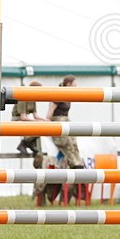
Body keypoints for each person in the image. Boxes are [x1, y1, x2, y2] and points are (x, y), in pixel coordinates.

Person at [49, 75, 86, 203]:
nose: (76, 88)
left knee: (74, 143)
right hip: (58, 122)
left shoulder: (69, 95)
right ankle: (76, 164)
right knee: (68, 144)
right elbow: (50, 112)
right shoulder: (59, 94)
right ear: (68, 84)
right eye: (74, 85)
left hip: (66, 121)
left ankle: (78, 163)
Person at [11, 80, 43, 156]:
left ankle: (29, 143)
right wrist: (36, 121)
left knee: (43, 126)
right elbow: (23, 117)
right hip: (17, 119)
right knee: (38, 127)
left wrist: (45, 120)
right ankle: (24, 144)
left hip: (26, 119)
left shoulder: (33, 99)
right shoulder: (23, 98)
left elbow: (36, 115)